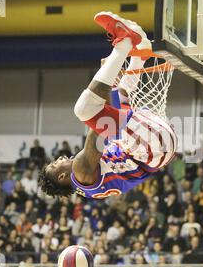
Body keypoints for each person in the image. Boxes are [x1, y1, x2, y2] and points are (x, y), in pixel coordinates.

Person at [38, 12, 177, 200]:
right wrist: (106, 74)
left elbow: (108, 125)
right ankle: (124, 42)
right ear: (62, 177)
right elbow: (102, 128)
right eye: (55, 164)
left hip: (155, 150)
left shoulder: (91, 186)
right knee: (84, 110)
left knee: (118, 94)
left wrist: (109, 82)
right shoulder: (80, 172)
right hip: (151, 148)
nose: (60, 159)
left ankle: (140, 53)